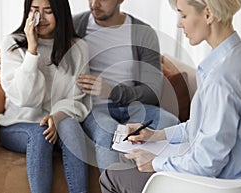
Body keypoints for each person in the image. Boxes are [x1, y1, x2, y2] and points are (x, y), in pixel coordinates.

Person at [99, 0, 241, 192]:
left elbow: (206, 164)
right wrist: (156, 135)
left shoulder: (221, 78)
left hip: (217, 185)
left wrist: (156, 163)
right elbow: (208, 125)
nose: (178, 23)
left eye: (183, 15)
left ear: (208, 14)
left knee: (111, 176)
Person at [0, 0, 91, 192]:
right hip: (18, 125)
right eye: (34, 11)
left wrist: (56, 117)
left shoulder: (79, 47)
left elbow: (78, 99)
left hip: (58, 123)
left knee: (71, 126)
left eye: (48, 11)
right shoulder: (12, 44)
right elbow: (25, 99)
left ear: (60, 13)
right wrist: (32, 50)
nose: (40, 18)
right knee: (40, 135)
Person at [74, 0, 179, 171]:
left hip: (133, 106)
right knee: (109, 132)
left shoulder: (143, 33)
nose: (95, 3)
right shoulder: (75, 26)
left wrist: (112, 92)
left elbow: (153, 91)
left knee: (169, 122)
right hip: (94, 109)